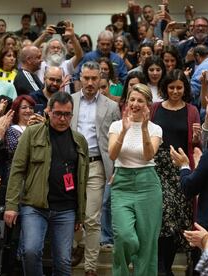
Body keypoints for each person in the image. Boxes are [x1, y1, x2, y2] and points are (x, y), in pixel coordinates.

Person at [4, 92, 89, 276]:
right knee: (31, 251)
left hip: (66, 208)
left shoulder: (79, 140)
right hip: (35, 206)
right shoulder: (32, 133)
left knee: (63, 261)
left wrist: (80, 215)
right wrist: (11, 205)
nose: (62, 118)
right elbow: (17, 170)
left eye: (67, 114)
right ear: (48, 111)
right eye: (58, 113)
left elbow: (82, 180)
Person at [70, 61, 120, 276]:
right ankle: (74, 248)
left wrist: (115, 167)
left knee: (92, 217)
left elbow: (117, 138)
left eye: (94, 78)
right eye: (86, 78)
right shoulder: (69, 102)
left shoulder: (111, 106)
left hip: (97, 164)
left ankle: (90, 268)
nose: (90, 83)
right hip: (70, 165)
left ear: (101, 79)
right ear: (80, 78)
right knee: (69, 213)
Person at [108, 83, 163, 276]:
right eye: (132, 99)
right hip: (122, 183)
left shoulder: (156, 129)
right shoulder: (116, 125)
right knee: (124, 237)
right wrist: (124, 130)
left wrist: (145, 128)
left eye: (140, 100)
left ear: (148, 104)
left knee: (148, 243)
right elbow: (113, 155)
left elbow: (149, 156)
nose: (135, 103)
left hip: (148, 184)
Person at [150, 69, 200, 275]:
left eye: (179, 87)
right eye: (171, 87)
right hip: (157, 168)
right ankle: (162, 267)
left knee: (175, 221)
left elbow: (196, 143)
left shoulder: (191, 111)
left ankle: (166, 266)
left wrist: (197, 139)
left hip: (180, 166)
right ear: (165, 88)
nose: (175, 91)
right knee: (162, 217)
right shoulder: (154, 108)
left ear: (185, 89)